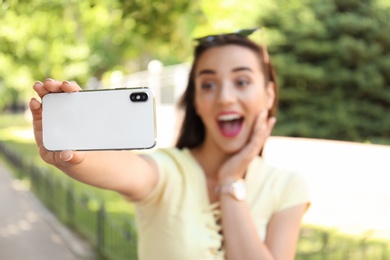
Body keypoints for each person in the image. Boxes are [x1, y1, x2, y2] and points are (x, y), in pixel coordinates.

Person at [30, 28, 310, 260]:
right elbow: (130, 170)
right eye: (208, 85)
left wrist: (229, 181)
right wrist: (74, 154)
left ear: (269, 94)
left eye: (242, 81)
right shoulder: (168, 170)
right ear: (196, 102)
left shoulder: (287, 187)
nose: (225, 97)